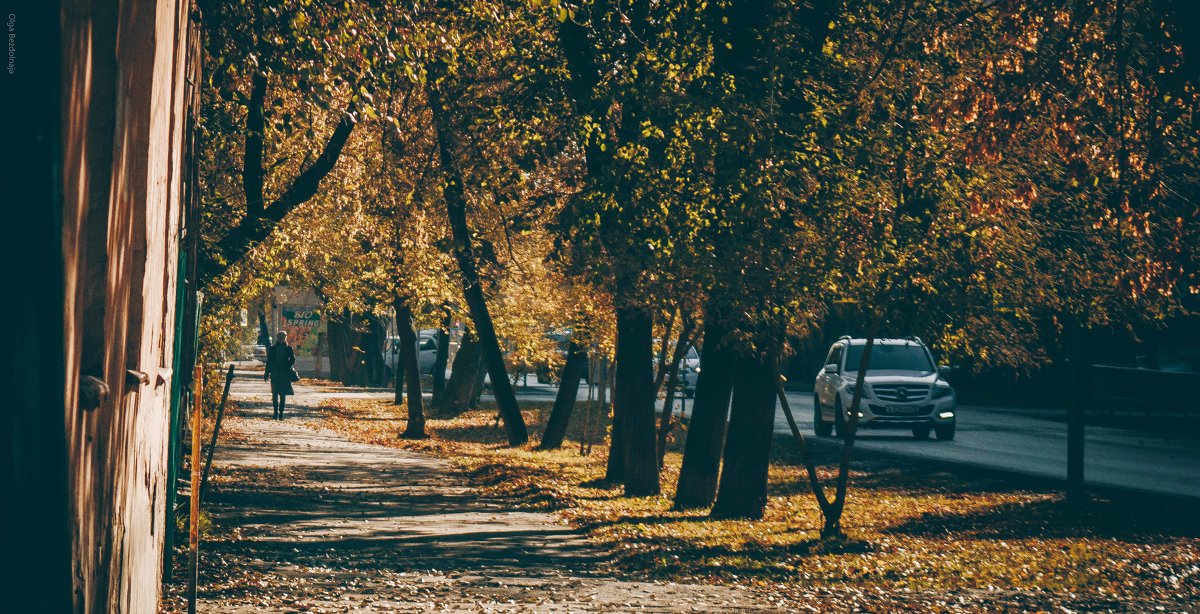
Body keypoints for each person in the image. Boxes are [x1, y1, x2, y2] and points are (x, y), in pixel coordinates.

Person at [264, 331, 296, 419]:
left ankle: (280, 413)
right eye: (280, 337)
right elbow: (269, 361)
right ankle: (275, 413)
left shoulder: (289, 348)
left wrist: (286, 366)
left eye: (283, 337)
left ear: (285, 338)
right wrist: (267, 373)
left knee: (282, 394)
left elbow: (293, 360)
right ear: (278, 338)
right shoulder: (273, 348)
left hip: (284, 373)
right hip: (275, 373)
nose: (281, 338)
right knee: (275, 393)